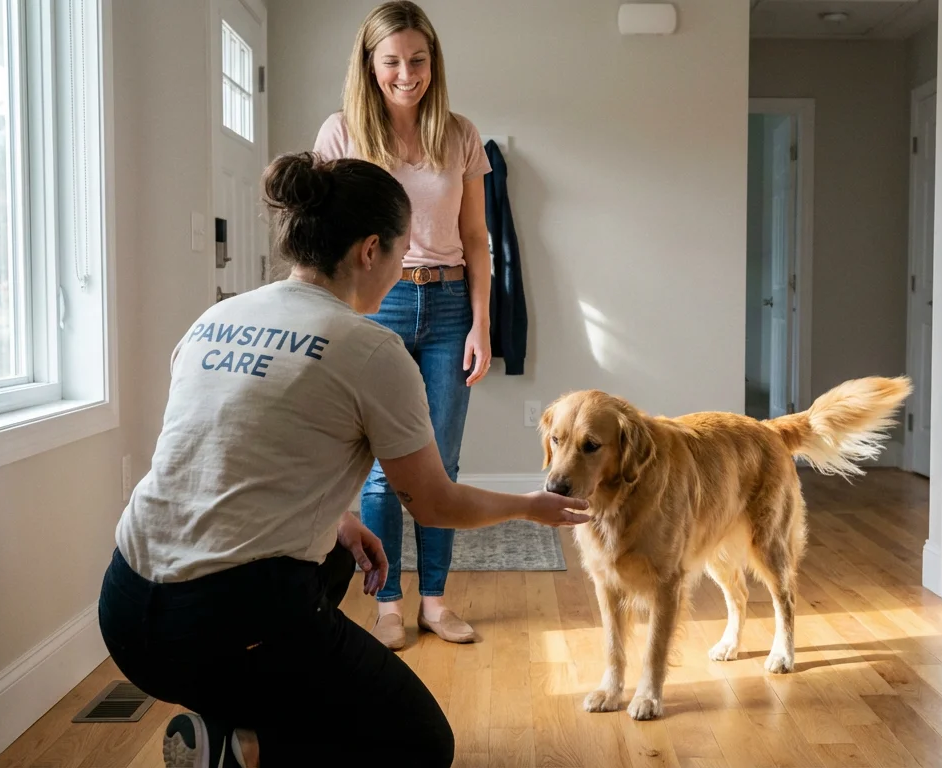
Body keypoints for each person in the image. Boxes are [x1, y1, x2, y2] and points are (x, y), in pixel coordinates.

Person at [97, 152, 589, 768]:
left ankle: (228, 729)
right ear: (370, 250)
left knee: (333, 556)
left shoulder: (216, 318)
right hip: (220, 622)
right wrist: (530, 507)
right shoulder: (370, 348)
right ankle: (247, 739)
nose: (405, 266)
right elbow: (435, 502)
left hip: (124, 608)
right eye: (403, 250)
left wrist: (336, 518)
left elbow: (222, 463)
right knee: (421, 743)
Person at [312, 0, 491, 651]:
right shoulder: (341, 133)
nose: (406, 73)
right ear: (371, 63)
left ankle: (436, 603)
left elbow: (476, 238)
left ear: (432, 62)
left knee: (438, 466)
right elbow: (325, 236)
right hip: (374, 306)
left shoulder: (460, 134)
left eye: (418, 59)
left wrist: (481, 325)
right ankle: (388, 604)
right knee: (387, 467)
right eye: (392, 61)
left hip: (447, 309)